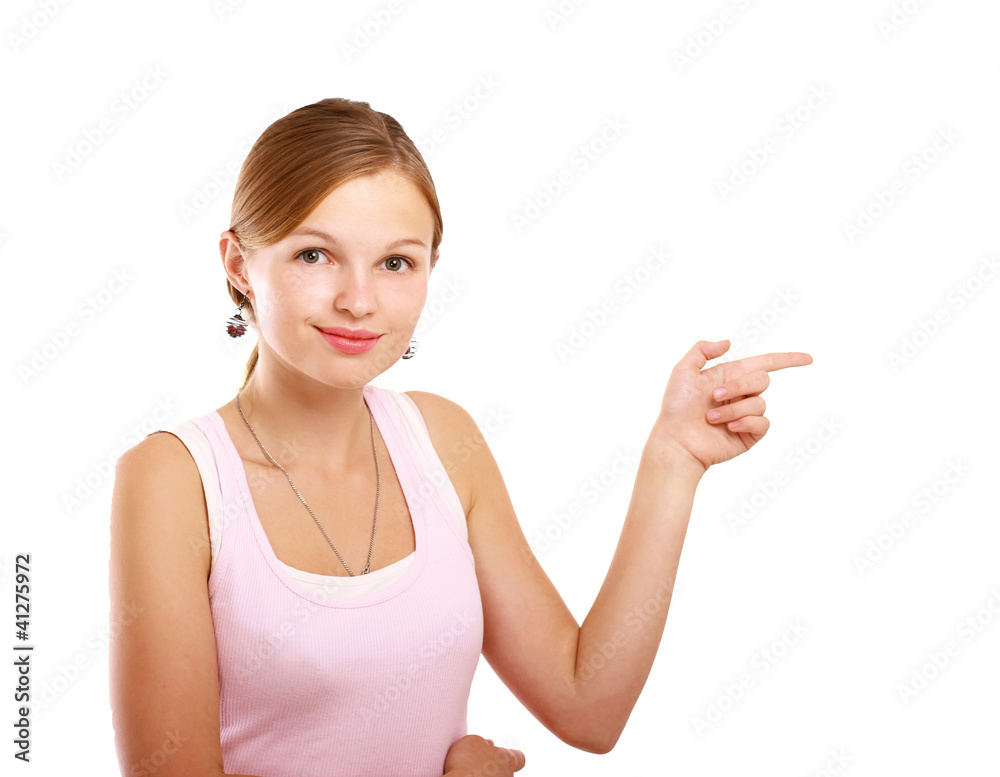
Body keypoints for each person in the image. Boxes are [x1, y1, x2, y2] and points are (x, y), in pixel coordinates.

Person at [108, 97, 812, 777]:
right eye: (315, 255)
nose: (359, 300)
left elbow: (587, 706)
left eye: (396, 263)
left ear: (430, 271)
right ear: (238, 264)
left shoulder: (442, 440)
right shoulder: (175, 480)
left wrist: (673, 460)